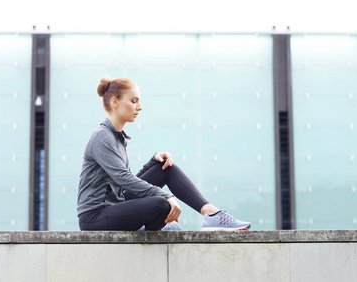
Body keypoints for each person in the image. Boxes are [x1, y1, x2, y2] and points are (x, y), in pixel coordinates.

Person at [77, 77, 251, 231]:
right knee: (161, 204)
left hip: (116, 205)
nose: (140, 107)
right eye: (134, 101)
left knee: (164, 167)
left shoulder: (117, 138)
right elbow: (124, 178)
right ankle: (149, 224)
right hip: (95, 215)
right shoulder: (102, 136)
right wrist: (166, 195)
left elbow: (124, 183)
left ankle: (212, 214)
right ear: (115, 102)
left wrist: (152, 163)